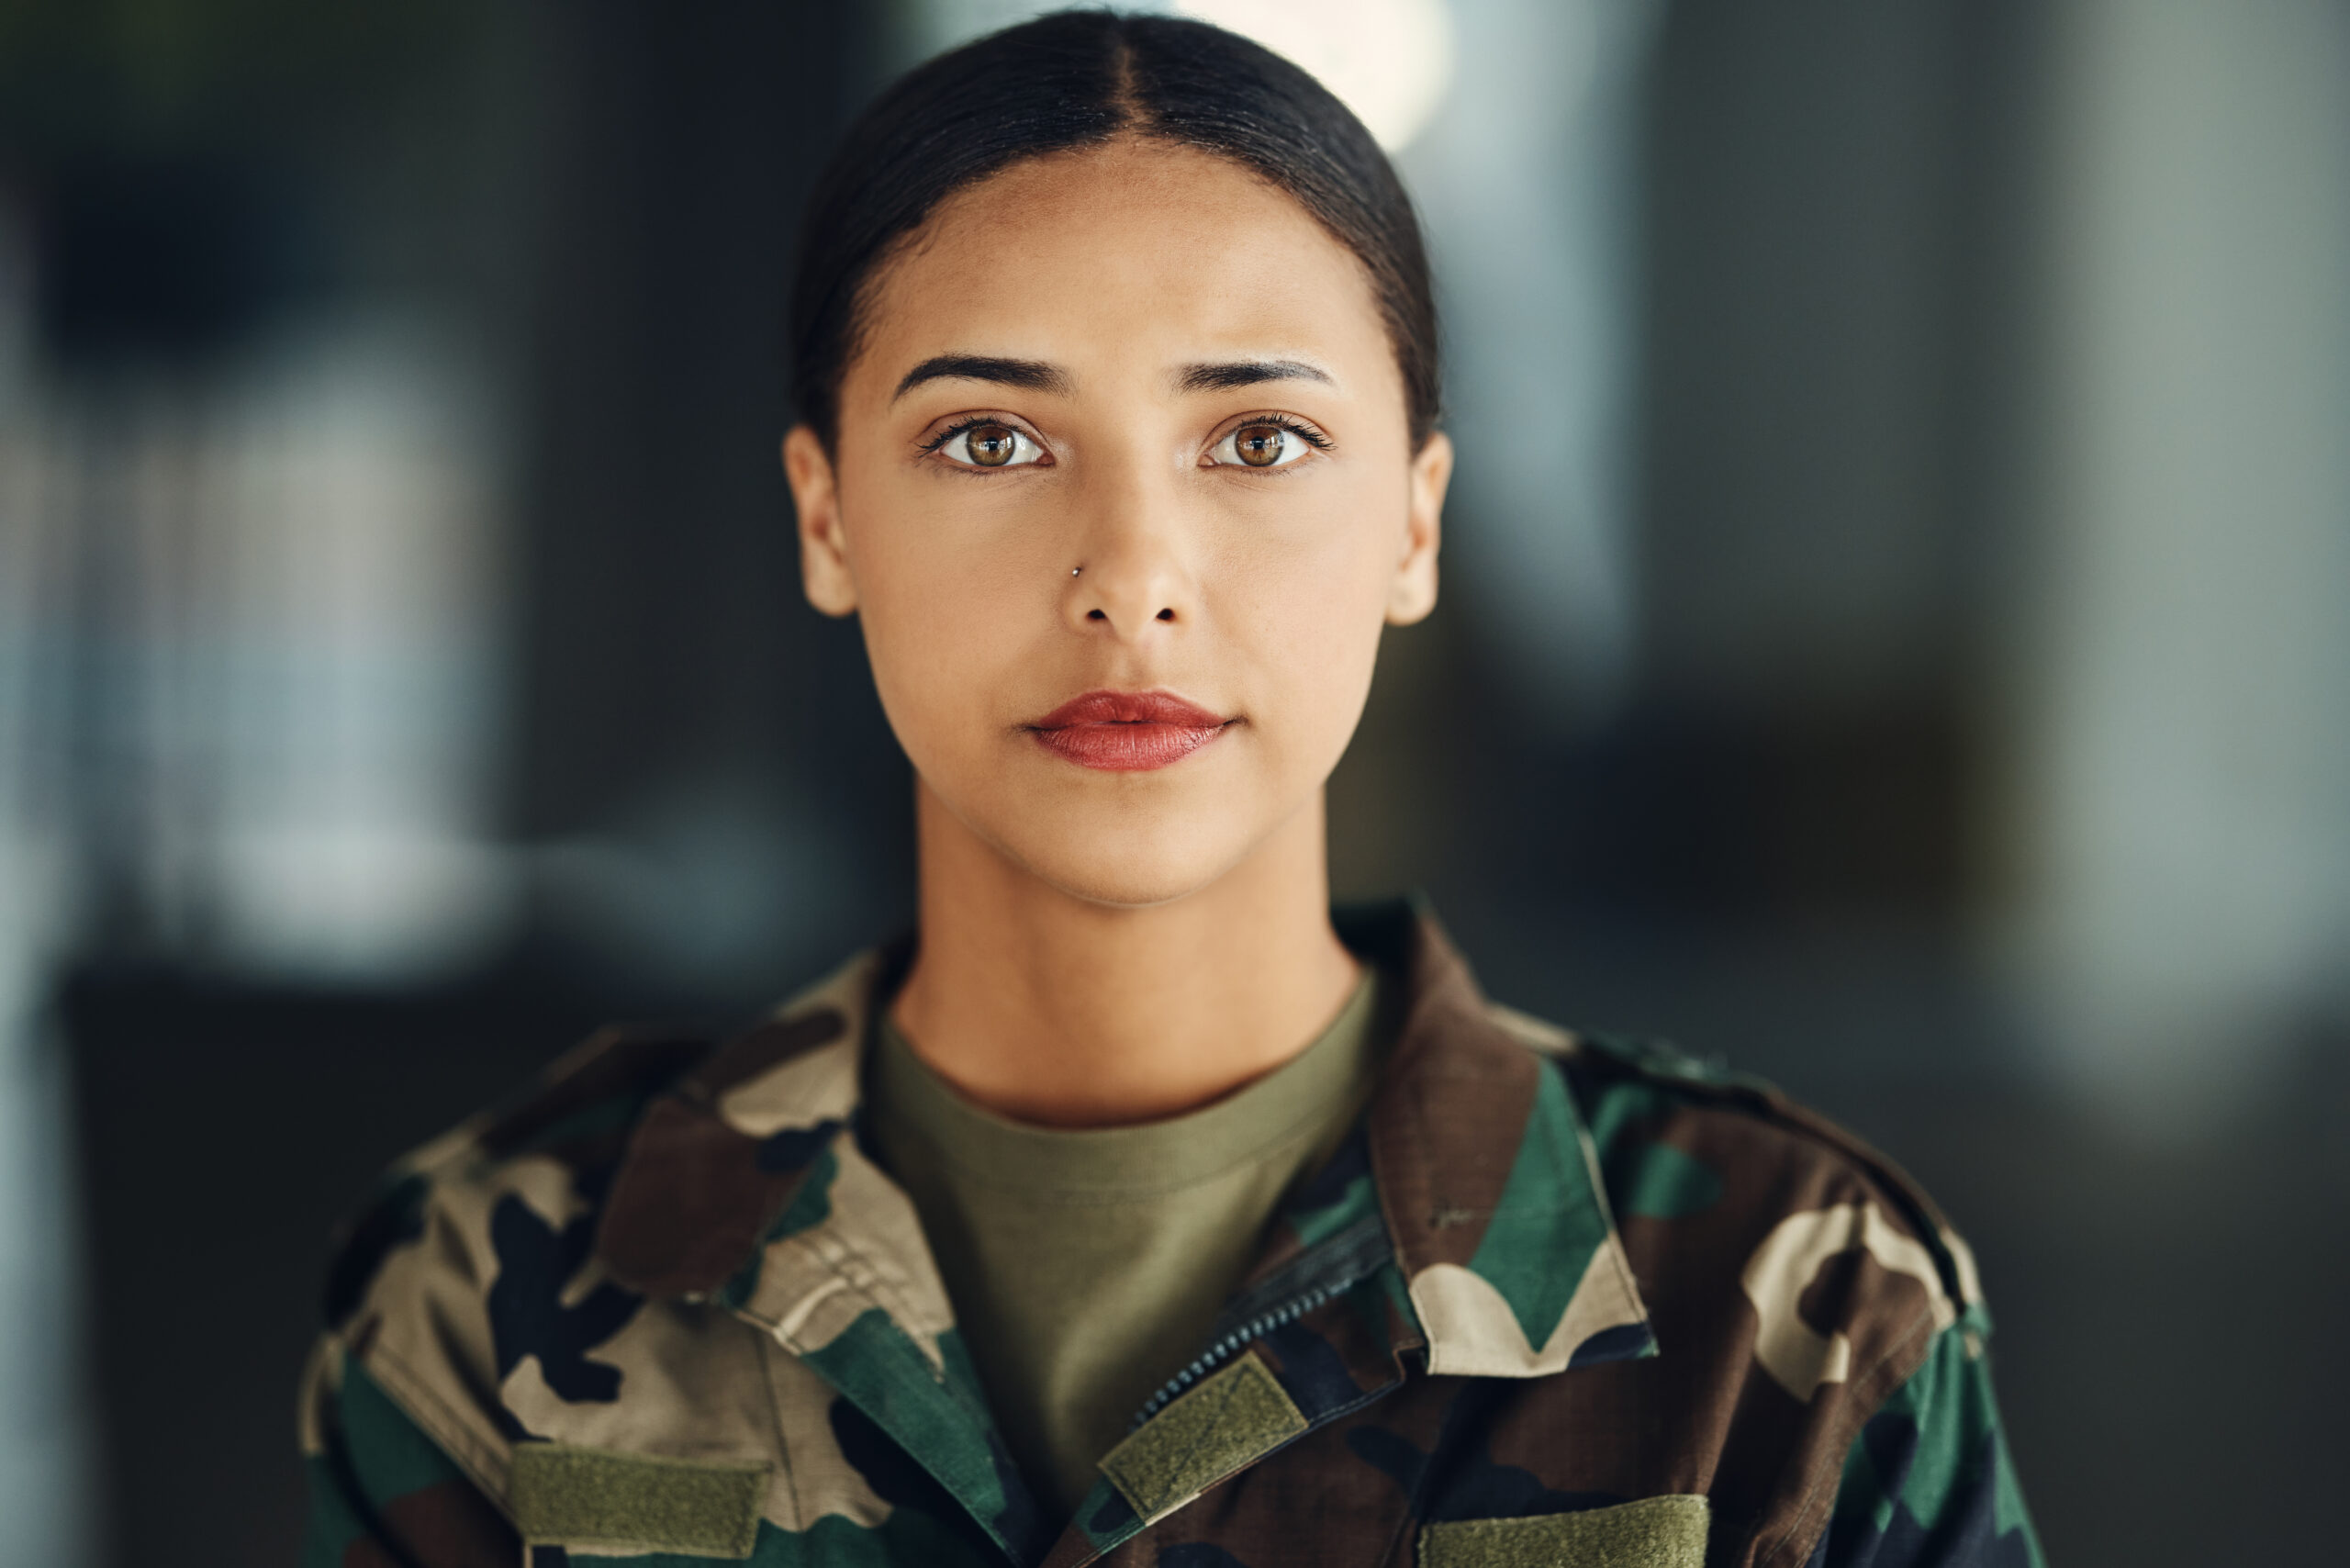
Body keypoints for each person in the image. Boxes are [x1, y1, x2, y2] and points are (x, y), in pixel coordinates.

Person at [300, 13, 2042, 1567]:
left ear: (1415, 521)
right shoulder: (495, 1283)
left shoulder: (1793, 1304)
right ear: (828, 517)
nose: (1132, 578)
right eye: (990, 439)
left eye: (1259, 440)